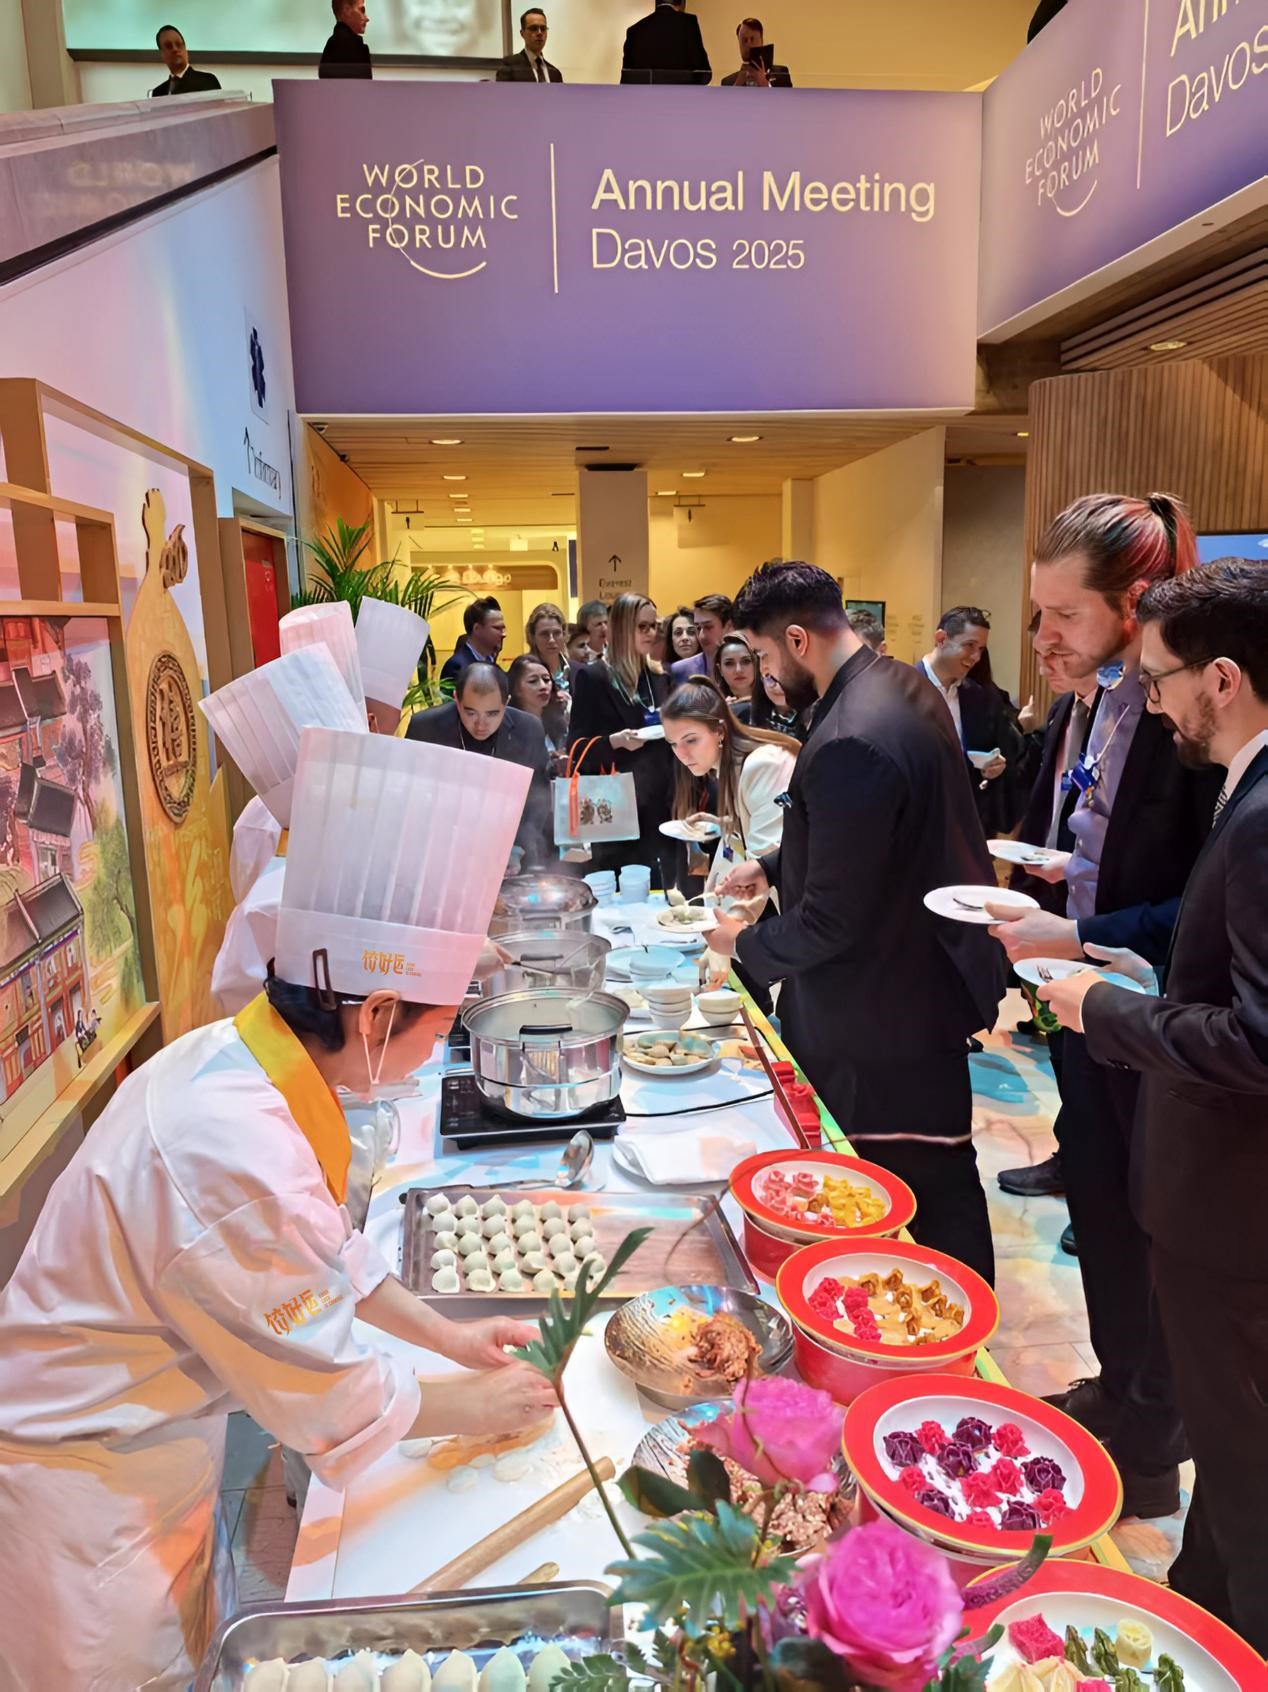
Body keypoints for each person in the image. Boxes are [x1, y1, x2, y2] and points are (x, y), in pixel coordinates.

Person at [0, 730, 554, 1692]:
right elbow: (333, 1400)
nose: (436, 1051)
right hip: (82, 1494)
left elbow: (322, 1247)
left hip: (155, 1447)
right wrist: (482, 1403)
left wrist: (453, 1342)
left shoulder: (242, 1060)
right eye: (436, 1028)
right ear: (374, 1016)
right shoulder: (230, 1149)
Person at [1036, 557, 1268, 1650]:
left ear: (1220, 679)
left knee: (1240, 1468)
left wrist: (1102, 1010)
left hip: (1231, 1209)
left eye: (1164, 677)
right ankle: (1199, 1623)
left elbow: (1257, 1043)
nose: (1156, 700)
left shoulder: (1261, 810)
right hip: (1218, 1193)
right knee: (1231, 1476)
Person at [986, 492, 1220, 1520]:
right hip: (1079, 1009)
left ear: (1130, 609)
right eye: (1035, 617)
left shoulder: (1185, 727)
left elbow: (1198, 909)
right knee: (1099, 1217)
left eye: (1060, 618)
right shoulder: (1090, 699)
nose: (1041, 640)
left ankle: (1149, 1440)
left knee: (1151, 1234)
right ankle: (1117, 1396)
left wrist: (1080, 931)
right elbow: (1079, 836)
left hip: (1153, 1024)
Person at [710, 563, 1006, 1283]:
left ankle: (949, 1350)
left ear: (799, 638)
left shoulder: (849, 736)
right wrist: (778, 865)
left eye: (768, 658)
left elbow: (831, 922)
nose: (769, 677)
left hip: (883, 1009)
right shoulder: (900, 683)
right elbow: (879, 837)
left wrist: (741, 945)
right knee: (935, 1174)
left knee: (914, 1187)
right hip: (917, 982)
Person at [996, 650, 1100, 1206]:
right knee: (1059, 1039)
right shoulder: (1065, 711)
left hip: (1102, 913)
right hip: (1053, 890)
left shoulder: (1132, 717)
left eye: (1065, 623)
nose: (1044, 651)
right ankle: (1073, 1161)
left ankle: (1091, 1180)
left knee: (1094, 1058)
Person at [568, 593, 675, 883]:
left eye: (654, 626)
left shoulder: (659, 677)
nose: (651, 633)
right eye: (642, 627)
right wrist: (614, 741)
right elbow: (576, 749)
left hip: (662, 804)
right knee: (619, 891)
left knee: (662, 889)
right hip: (615, 806)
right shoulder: (595, 678)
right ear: (623, 628)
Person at [662, 679, 798, 900]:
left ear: (720, 731)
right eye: (673, 743)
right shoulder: (727, 767)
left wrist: (729, 924)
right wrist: (724, 823)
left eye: (691, 740)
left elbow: (765, 861)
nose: (682, 754)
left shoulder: (763, 764)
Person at [407, 664, 552, 867]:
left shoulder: (528, 729)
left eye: (492, 714)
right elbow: (414, 797)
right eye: (471, 713)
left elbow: (538, 799)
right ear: (457, 700)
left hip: (512, 848)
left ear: (506, 703)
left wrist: (518, 847)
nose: (481, 725)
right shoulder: (426, 728)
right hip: (444, 851)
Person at [920, 607, 1018, 829]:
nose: (976, 658)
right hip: (918, 819)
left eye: (981, 649)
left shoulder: (979, 696)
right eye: (969, 646)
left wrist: (994, 766)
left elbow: (991, 750)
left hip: (968, 822)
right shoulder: (903, 687)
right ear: (941, 639)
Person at [622, 0, 711, 85]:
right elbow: (704, 73)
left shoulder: (634, 30)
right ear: (681, 3)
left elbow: (627, 78)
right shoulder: (689, 23)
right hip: (682, 98)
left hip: (644, 99)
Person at [508, 653, 570, 764]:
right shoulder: (508, 729)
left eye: (546, 680)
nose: (543, 686)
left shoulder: (561, 723)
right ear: (516, 688)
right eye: (533, 681)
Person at [440, 596, 506, 685]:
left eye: (503, 629)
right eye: (497, 628)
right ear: (477, 629)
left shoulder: (493, 665)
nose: (503, 634)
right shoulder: (456, 667)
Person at [670, 592, 734, 684]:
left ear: (729, 627)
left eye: (708, 627)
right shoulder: (680, 671)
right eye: (698, 628)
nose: (701, 636)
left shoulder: (750, 667)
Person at [151, 23, 222, 95]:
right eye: (169, 46)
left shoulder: (208, 81)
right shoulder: (157, 93)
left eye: (178, 44)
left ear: (185, 49)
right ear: (162, 54)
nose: (175, 49)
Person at [721, 16, 793, 86]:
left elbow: (789, 98)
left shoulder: (782, 75)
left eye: (752, 39)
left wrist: (765, 85)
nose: (749, 44)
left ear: (761, 41)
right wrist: (737, 86)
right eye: (744, 40)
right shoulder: (727, 83)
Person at [497, 7, 563, 80]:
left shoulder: (555, 73)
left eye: (543, 29)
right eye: (533, 28)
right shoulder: (509, 66)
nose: (539, 33)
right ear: (522, 33)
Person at [524, 602, 572, 695]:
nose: (551, 640)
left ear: (564, 634)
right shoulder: (522, 673)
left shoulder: (578, 671)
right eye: (544, 634)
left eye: (557, 633)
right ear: (532, 637)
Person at [749, 669, 807, 741]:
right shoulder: (745, 717)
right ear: (761, 680)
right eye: (769, 678)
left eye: (786, 679)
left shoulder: (814, 717)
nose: (778, 687)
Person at [320, 0, 373, 77]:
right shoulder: (352, 47)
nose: (367, 18)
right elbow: (361, 87)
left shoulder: (331, 45)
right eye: (362, 10)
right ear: (347, 10)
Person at [714, 633, 757, 720]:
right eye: (729, 663)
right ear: (720, 670)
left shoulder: (777, 701)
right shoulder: (713, 709)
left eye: (746, 661)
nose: (738, 670)